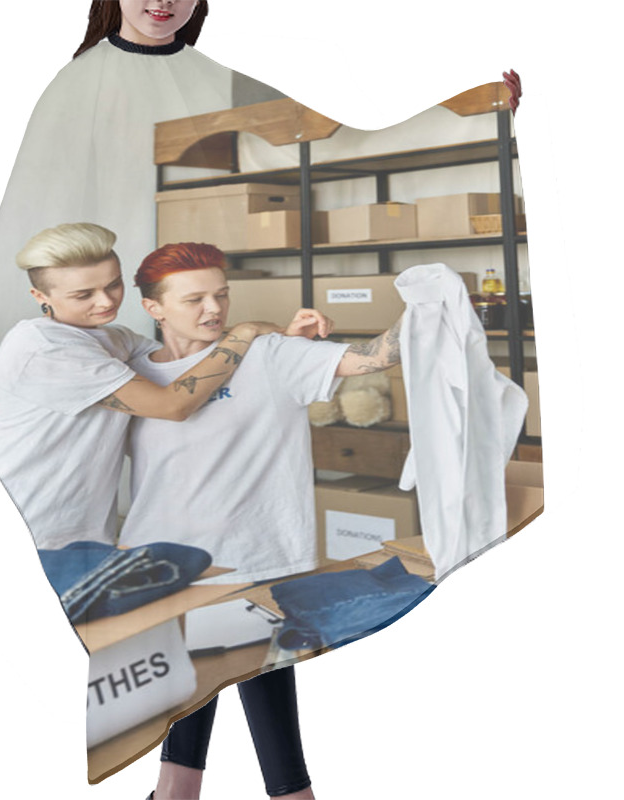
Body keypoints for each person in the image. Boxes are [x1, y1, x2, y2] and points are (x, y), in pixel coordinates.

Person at [0, 0, 521, 434]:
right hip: (105, 299)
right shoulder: (76, 83)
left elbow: (321, 138)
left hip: (188, 297)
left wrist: (473, 107)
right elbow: (34, 216)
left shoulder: (218, 78)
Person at [123, 242, 403, 800]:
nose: (213, 309)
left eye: (221, 295)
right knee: (192, 677)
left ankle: (252, 794)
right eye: (195, 298)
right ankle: (182, 793)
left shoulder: (272, 352)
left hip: (258, 552)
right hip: (159, 562)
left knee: (258, 667)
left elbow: (373, 357)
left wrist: (432, 302)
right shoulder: (130, 373)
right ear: (155, 308)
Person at [0, 221, 326, 551]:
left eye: (113, 285)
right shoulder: (45, 347)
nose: (105, 302)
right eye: (84, 294)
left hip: (83, 534)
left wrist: (282, 337)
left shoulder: (113, 338)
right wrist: (245, 332)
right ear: (39, 295)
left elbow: (191, 352)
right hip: (23, 531)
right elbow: (171, 404)